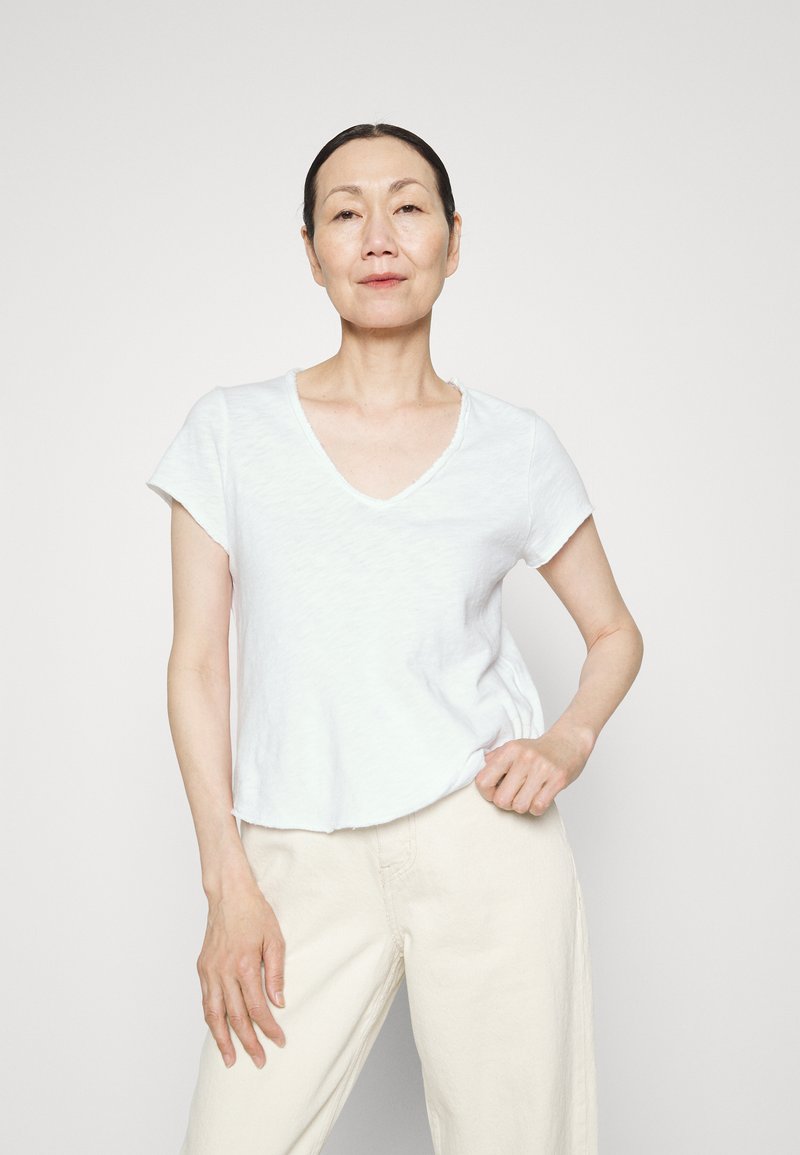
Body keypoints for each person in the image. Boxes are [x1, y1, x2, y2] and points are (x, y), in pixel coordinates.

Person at [146, 122, 644, 1155]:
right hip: (295, 855)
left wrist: (566, 739)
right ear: (311, 250)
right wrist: (226, 882)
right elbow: (197, 665)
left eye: (408, 207)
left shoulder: (516, 447)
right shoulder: (229, 433)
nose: (378, 235)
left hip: (484, 843)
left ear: (452, 241)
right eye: (346, 212)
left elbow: (612, 632)